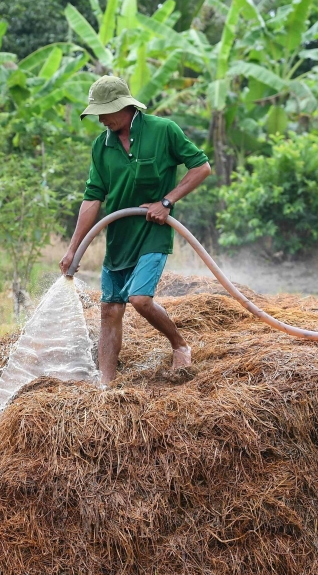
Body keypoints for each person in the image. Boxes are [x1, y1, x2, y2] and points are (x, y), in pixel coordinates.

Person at [60, 76, 212, 384]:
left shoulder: (163, 131)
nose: (101, 119)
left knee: (139, 299)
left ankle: (180, 345)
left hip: (153, 231)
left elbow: (201, 167)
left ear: (125, 106)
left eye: (105, 111)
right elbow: (92, 199)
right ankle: (106, 384)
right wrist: (73, 248)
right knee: (109, 310)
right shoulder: (101, 146)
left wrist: (167, 201)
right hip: (118, 237)